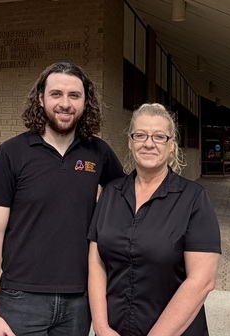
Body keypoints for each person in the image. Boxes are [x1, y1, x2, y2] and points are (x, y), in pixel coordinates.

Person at [0, 62, 124, 336]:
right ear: (41, 99)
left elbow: (128, 199)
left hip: (79, 300)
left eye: (74, 95)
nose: (65, 104)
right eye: (56, 94)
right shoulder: (12, 153)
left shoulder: (99, 153)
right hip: (21, 299)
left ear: (85, 102)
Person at [88, 103, 221, 336]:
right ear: (130, 142)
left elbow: (202, 281)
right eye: (140, 135)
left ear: (172, 145)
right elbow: (96, 262)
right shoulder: (110, 193)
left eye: (159, 136)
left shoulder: (194, 199)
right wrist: (101, 327)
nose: (149, 143)